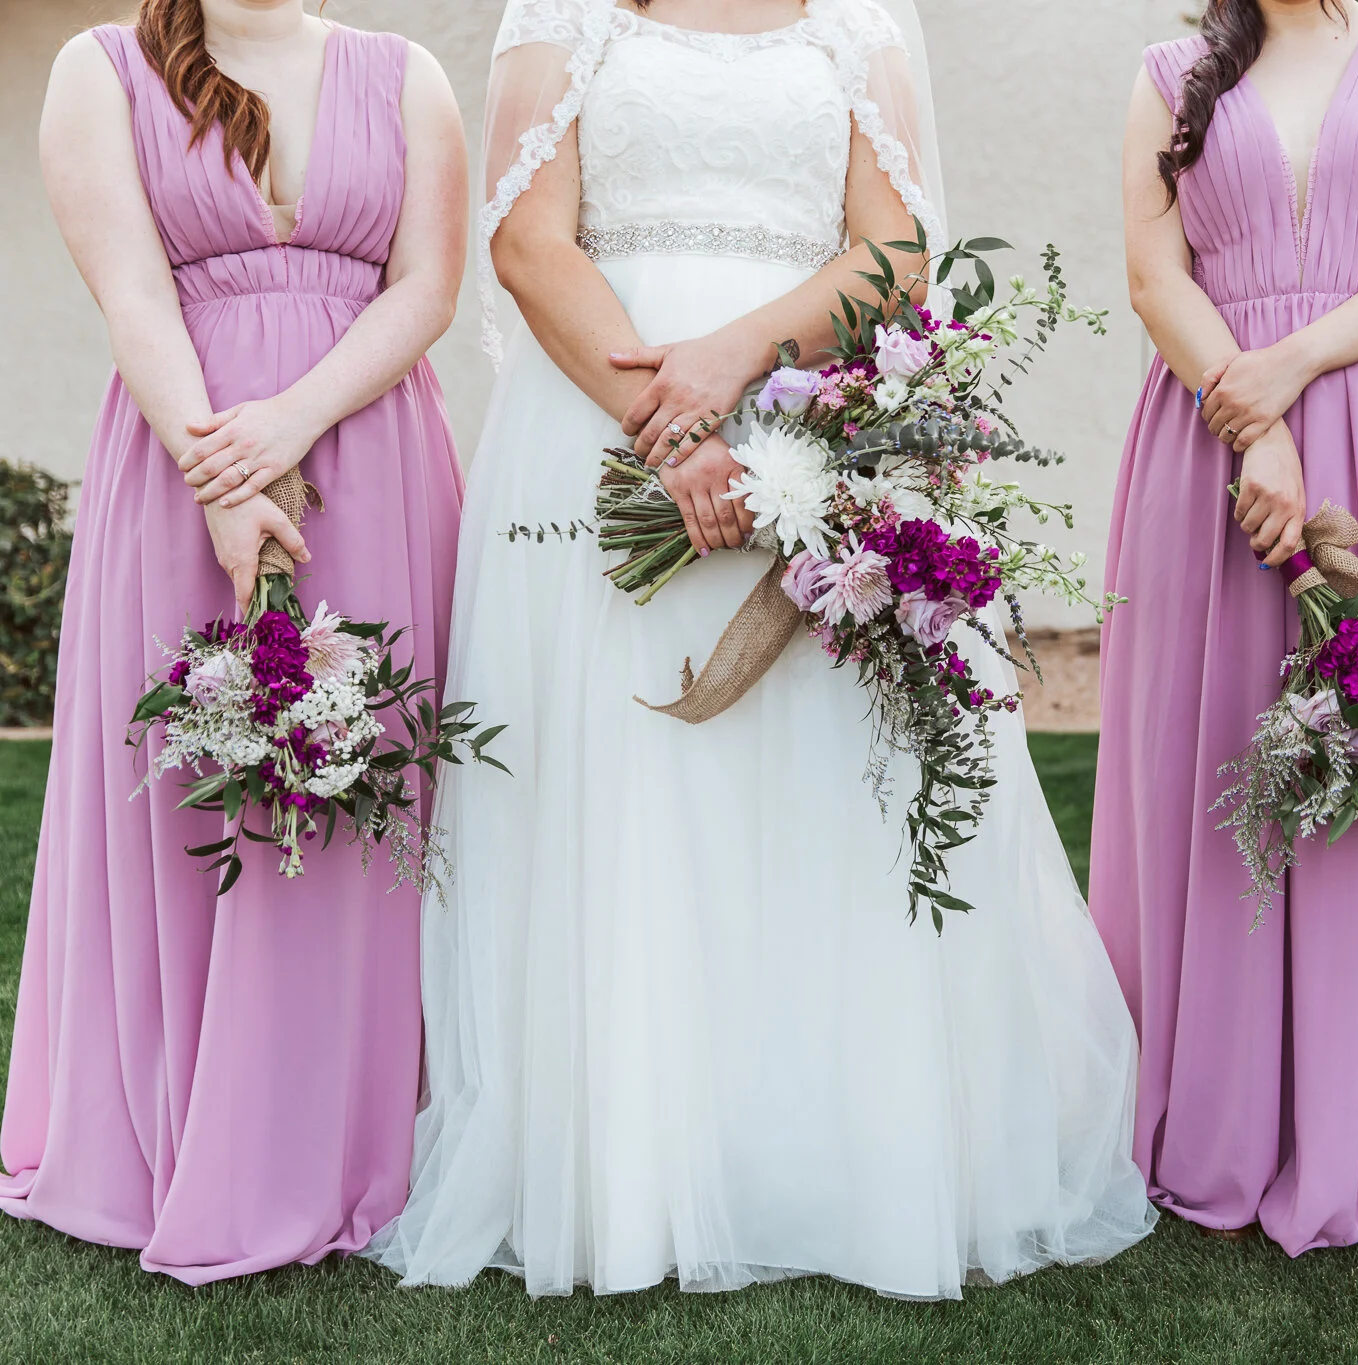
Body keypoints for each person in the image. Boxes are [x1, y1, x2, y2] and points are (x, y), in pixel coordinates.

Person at [365, 0, 1154, 1299]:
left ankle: (832, 1155)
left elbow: (895, 251)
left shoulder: (855, 20)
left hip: (809, 414)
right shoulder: (563, 14)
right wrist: (670, 430)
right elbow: (526, 240)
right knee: (630, 779)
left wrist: (737, 362)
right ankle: (633, 1171)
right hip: (600, 433)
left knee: (823, 791)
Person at [0, 0, 467, 1283]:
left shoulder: (406, 74)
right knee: (193, 786)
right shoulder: (101, 69)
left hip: (372, 458)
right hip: (183, 455)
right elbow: (132, 294)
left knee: (370, 782)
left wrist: (292, 423)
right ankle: (185, 1135)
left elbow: (428, 286)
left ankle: (365, 1131)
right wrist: (223, 478)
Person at [1089, 0, 1358, 1253]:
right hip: (1212, 437)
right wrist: (1255, 421)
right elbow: (1155, 277)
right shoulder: (1169, 74)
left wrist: (1293, 364)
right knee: (1215, 758)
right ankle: (1210, 1119)